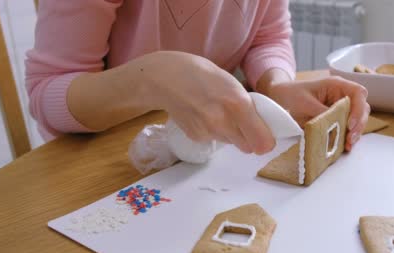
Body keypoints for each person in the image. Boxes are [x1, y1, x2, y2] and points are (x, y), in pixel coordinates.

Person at [25, 0, 370, 154]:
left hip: (203, 163)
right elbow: (47, 92)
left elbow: (268, 36)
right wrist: (153, 80)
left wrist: (276, 85)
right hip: (95, 168)